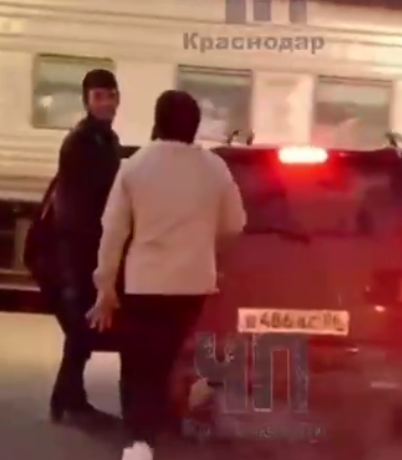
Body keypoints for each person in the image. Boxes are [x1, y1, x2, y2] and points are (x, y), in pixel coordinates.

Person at [87, 89, 246, 460]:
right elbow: (234, 224)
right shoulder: (214, 169)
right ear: (195, 125)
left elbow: (113, 232)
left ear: (157, 121)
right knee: (165, 359)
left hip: (144, 283)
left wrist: (105, 287)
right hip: (193, 284)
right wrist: (205, 245)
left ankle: (139, 441)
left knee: (138, 363)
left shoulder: (135, 166)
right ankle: (157, 428)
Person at [50, 69, 122, 422]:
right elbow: (78, 200)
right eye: (99, 96)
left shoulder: (107, 139)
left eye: (111, 95)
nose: (106, 103)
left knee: (82, 323)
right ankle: (64, 397)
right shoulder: (80, 141)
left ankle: (69, 396)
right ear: (87, 101)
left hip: (91, 241)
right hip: (81, 244)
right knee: (81, 321)